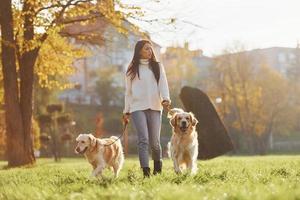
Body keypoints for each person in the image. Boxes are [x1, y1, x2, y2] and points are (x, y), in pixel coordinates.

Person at [122, 39, 171, 177]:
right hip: (137, 108)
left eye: (150, 49)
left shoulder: (157, 66)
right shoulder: (131, 69)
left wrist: (166, 99)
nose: (150, 51)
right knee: (143, 140)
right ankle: (146, 171)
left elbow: (163, 84)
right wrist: (126, 111)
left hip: (155, 107)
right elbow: (128, 92)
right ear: (139, 51)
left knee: (155, 142)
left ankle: (157, 169)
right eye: (146, 49)